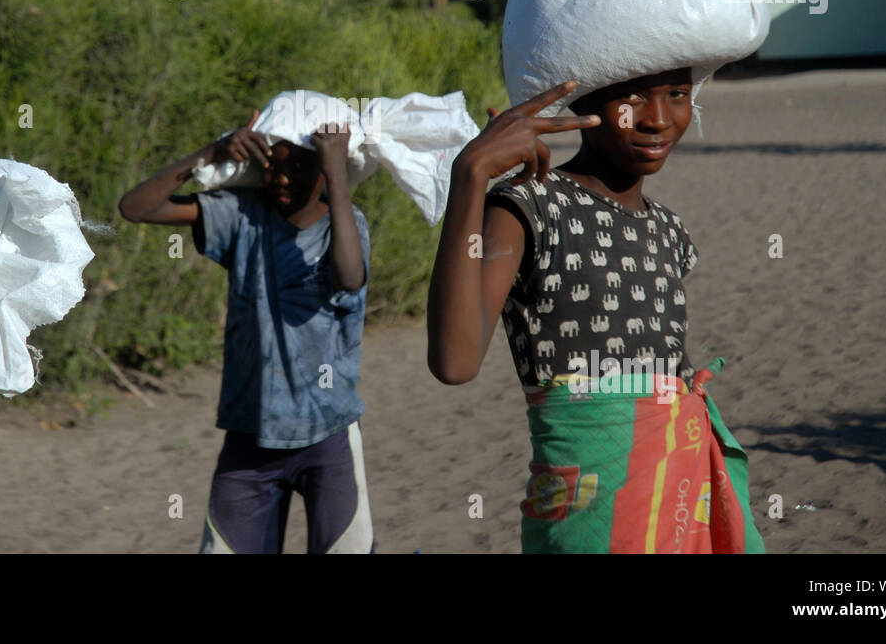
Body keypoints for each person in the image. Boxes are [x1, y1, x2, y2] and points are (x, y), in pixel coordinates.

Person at [427, 75, 764, 553]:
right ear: (583, 102)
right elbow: (455, 363)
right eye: (632, 96)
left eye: (678, 94)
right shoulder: (529, 206)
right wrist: (471, 176)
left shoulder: (669, 230)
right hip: (588, 522)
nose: (658, 118)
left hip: (683, 499)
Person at [119, 108, 374, 554]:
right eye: (273, 165)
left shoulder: (346, 226)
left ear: (327, 170)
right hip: (250, 436)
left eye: (299, 166)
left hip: (329, 434)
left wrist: (336, 169)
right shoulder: (241, 217)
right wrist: (208, 153)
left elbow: (350, 276)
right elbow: (135, 208)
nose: (281, 178)